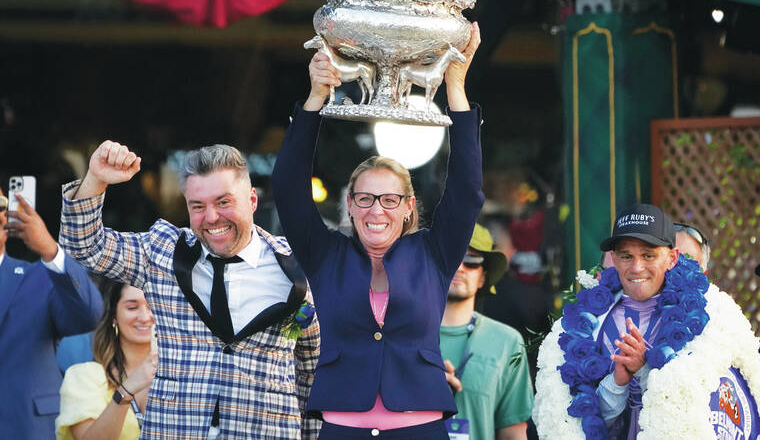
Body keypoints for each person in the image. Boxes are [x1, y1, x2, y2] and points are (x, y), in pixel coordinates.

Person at [271, 23, 483, 439]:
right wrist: (316, 98)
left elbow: (467, 191)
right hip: (343, 429)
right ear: (350, 206)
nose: (376, 211)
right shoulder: (326, 254)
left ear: (408, 208)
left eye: (389, 200)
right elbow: (288, 188)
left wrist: (455, 89)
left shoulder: (434, 254)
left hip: (418, 429)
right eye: (365, 198)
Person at [58, 144, 320, 439]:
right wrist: (95, 179)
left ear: (252, 200)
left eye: (223, 202)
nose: (211, 218)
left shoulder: (298, 269)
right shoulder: (162, 253)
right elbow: (83, 248)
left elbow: (311, 368)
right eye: (198, 206)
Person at [533, 203, 760, 438]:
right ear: (613, 258)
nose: (636, 267)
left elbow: (715, 409)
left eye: (648, 255)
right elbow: (584, 423)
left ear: (672, 258)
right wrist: (618, 383)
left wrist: (643, 370)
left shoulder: (708, 316)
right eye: (626, 256)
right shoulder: (592, 322)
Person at [0, 187, 102, 439]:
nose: (1, 215)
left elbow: (89, 314)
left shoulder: (40, 277)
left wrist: (50, 250)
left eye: (2, 206)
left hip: (25, 428)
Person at [440, 223, 533, 440]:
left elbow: (513, 433)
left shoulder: (508, 342)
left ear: (483, 277)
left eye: (472, 261)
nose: (460, 267)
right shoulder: (402, 335)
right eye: (452, 257)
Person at [56, 281, 156, 439]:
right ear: (114, 316)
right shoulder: (84, 376)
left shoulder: (184, 373)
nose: (145, 317)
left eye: (153, 306)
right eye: (132, 307)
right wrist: (127, 390)